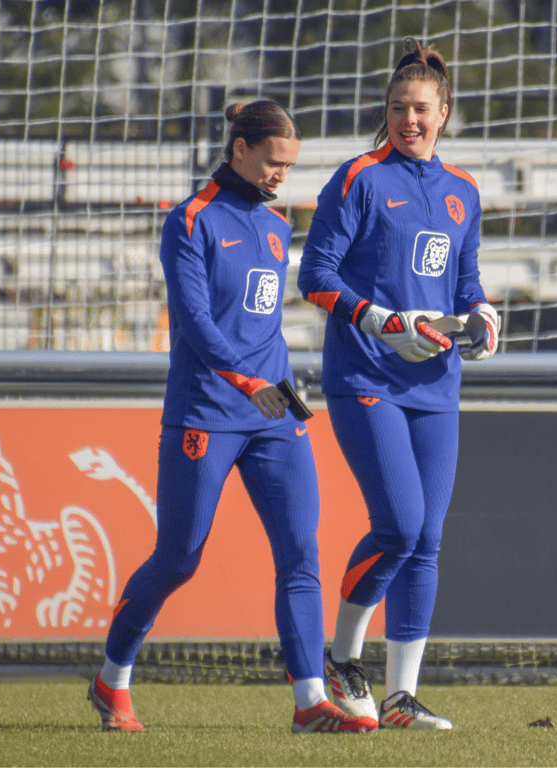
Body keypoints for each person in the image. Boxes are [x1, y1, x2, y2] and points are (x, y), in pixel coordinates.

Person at [88, 99, 378, 735]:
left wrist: (283, 393)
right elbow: (196, 326)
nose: (281, 175)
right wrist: (248, 382)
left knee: (301, 548)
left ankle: (309, 704)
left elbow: (264, 328)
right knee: (179, 558)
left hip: (275, 407)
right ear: (239, 150)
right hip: (209, 410)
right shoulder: (189, 220)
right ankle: (113, 680)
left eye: (290, 166)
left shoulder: (276, 228)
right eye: (274, 162)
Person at [297, 38, 499, 731]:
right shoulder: (358, 178)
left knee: (428, 539)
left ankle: (400, 698)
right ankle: (344, 659)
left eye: (420, 108)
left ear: (443, 112)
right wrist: (377, 318)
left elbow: (465, 281)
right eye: (396, 108)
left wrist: (483, 314)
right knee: (400, 526)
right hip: (364, 376)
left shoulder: (463, 191)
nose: (408, 119)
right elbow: (315, 276)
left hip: (437, 385)